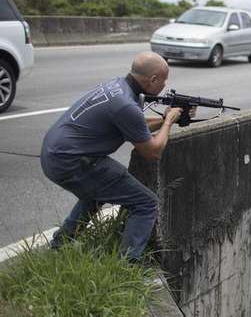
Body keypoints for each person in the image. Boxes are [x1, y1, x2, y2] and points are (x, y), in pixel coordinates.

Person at [41, 51, 183, 261]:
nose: (165, 85)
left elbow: (137, 125)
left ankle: (60, 245)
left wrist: (165, 119)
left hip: (55, 154)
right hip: (72, 162)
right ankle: (127, 263)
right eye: (163, 80)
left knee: (96, 194)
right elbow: (152, 152)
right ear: (153, 79)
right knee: (146, 203)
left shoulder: (117, 87)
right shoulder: (126, 105)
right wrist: (169, 121)